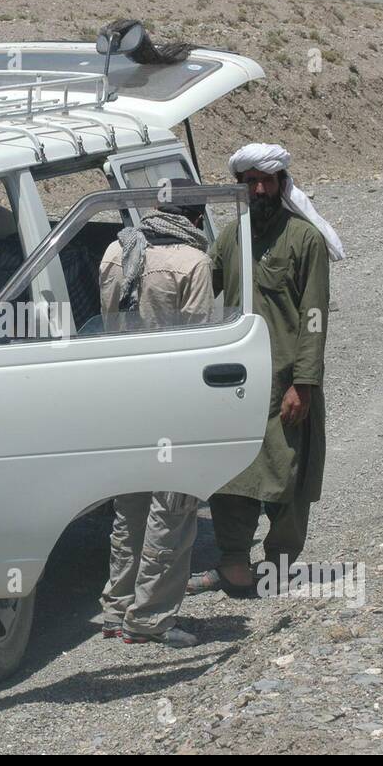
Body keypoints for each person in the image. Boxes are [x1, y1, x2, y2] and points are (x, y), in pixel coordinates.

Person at [188, 144, 340, 597]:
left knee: (289, 475)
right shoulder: (233, 237)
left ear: (280, 183)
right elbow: (201, 288)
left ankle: (279, 565)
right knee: (232, 474)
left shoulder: (304, 239)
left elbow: (315, 316)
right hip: (236, 383)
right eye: (250, 181)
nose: (258, 188)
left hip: (286, 384)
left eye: (267, 180)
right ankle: (234, 563)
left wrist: (304, 383)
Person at [98, 181, 214, 647]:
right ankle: (149, 619)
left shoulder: (116, 250)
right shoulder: (193, 262)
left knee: (129, 506)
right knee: (174, 506)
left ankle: (115, 607)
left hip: (123, 396)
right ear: (198, 216)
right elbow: (199, 342)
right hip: (171, 399)